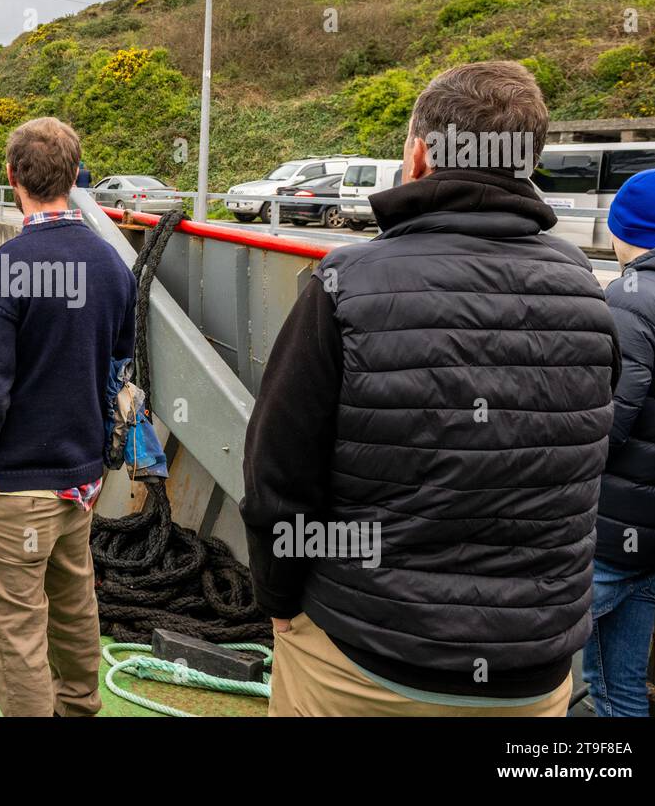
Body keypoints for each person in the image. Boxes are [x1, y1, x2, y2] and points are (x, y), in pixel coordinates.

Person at [240, 61, 620, 716]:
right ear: (526, 163)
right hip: (531, 673)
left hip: (362, 663)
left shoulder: (345, 285)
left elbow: (278, 481)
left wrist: (278, 604)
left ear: (417, 154)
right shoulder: (587, 289)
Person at [0, 116, 137, 717]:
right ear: (76, 175)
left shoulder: (9, 267)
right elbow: (118, 370)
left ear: (11, 178)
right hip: (78, 485)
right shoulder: (112, 265)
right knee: (75, 608)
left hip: (14, 489)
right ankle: (81, 706)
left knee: (18, 639)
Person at [583, 168, 655, 717]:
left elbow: (607, 421)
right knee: (617, 688)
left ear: (627, 232)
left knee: (510, 662)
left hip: (608, 534)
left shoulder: (634, 296)